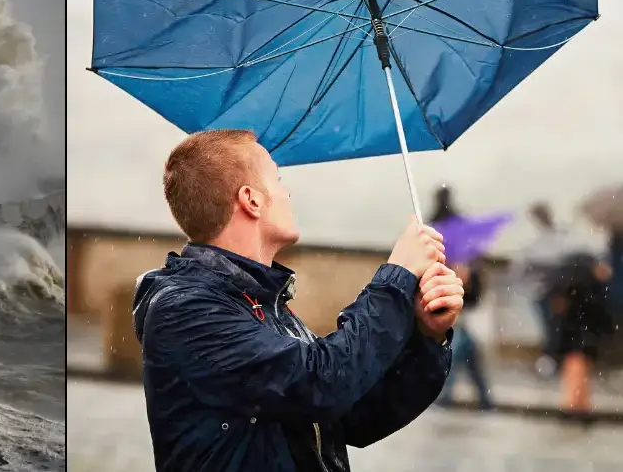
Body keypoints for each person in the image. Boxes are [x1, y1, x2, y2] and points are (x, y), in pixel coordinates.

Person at [133, 129, 463, 472]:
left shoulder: (262, 301)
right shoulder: (185, 309)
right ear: (252, 200)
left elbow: (355, 415)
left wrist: (427, 337)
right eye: (277, 179)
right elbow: (321, 383)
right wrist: (398, 275)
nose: (287, 191)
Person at [429, 187, 495, 411]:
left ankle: (445, 395)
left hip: (457, 302)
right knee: (467, 353)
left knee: (456, 351)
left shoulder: (435, 228)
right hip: (463, 303)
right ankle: (485, 399)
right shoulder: (462, 233)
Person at [545, 252, 614, 421]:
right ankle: (575, 404)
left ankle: (577, 404)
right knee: (576, 365)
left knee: (578, 365)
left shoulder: (578, 283)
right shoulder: (584, 282)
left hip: (578, 335)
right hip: (580, 336)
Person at [518, 202, 580, 376]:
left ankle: (550, 362)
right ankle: (553, 361)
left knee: (551, 328)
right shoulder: (560, 239)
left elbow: (521, 269)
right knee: (554, 327)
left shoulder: (536, 242)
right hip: (556, 292)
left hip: (544, 292)